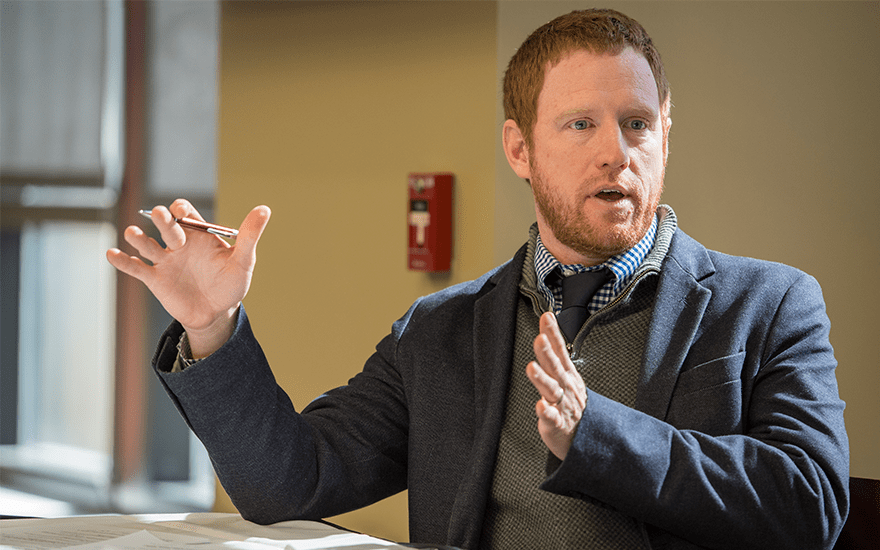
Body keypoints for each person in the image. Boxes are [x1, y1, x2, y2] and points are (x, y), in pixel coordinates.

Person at [106, 8, 849, 550]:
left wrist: (597, 434)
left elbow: (811, 507)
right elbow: (290, 482)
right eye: (580, 124)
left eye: (637, 124)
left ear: (665, 137)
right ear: (519, 148)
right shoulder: (438, 331)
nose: (616, 152)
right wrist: (211, 326)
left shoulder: (771, 304)